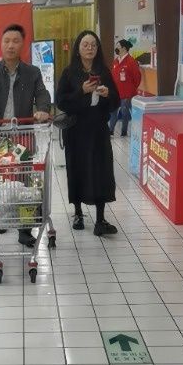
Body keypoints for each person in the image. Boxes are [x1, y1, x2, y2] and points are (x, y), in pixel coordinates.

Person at [0, 23, 51, 248]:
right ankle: (0, 216)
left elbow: (42, 94)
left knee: (25, 184)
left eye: (15, 41)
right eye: (6, 41)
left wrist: (42, 109)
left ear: (22, 44)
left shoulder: (32, 73)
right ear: (1, 44)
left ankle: (25, 229)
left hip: (22, 135)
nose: (10, 45)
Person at [55, 30, 120, 237]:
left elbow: (116, 102)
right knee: (77, 170)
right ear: (78, 49)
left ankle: (100, 219)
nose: (90, 48)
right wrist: (81, 91)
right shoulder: (69, 73)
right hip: (76, 131)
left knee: (101, 171)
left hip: (98, 129)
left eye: (93, 45)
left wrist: (107, 94)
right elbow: (61, 101)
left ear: (97, 48)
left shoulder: (104, 72)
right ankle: (78, 213)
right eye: (85, 45)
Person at [110, 39, 141, 137]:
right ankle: (111, 131)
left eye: (118, 46)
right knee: (113, 111)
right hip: (115, 93)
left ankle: (124, 131)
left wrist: (131, 89)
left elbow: (137, 78)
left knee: (125, 112)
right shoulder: (115, 61)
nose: (116, 48)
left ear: (123, 48)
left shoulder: (131, 62)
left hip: (127, 93)